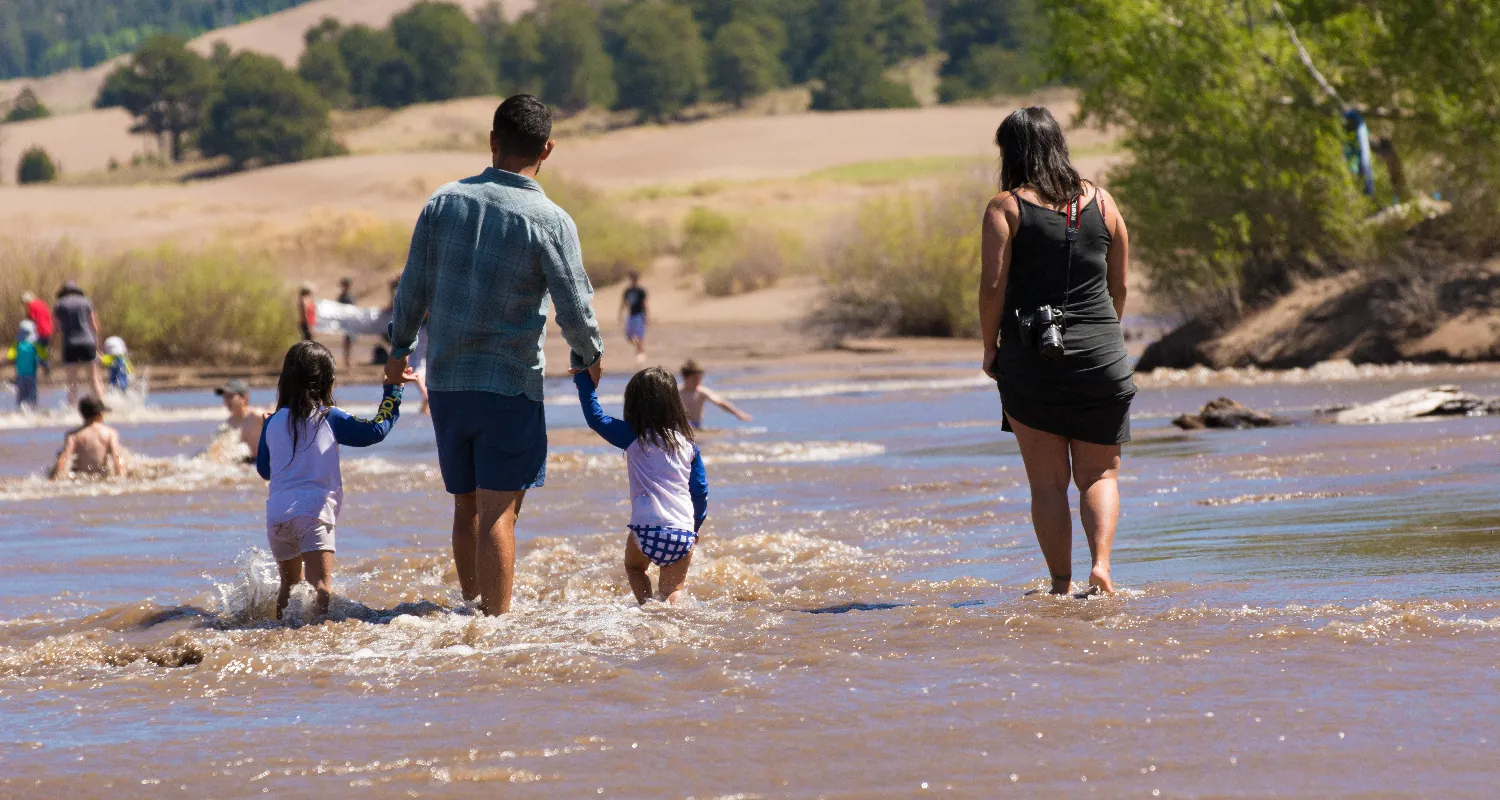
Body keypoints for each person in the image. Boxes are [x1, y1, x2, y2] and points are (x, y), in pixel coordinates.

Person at [388, 94, 604, 616]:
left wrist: (398, 351)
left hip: (447, 384)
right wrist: (590, 354)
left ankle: (468, 611)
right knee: (499, 513)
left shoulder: (442, 203)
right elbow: (574, 304)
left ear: (492, 141)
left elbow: (411, 288)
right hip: (508, 384)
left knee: (466, 507)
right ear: (547, 149)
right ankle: (494, 629)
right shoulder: (550, 220)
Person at [979, 107, 1135, 597]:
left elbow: (992, 290)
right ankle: (1102, 568)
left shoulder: (1005, 208)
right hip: (1103, 356)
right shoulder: (1103, 201)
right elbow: (1121, 284)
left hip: (1031, 358)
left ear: (1013, 152)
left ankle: (1060, 584)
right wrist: (1104, 337)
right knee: (1100, 472)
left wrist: (990, 349)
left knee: (1048, 485)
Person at [255, 341, 413, 619]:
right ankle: (315, 644)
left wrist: (267, 434)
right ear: (326, 381)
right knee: (321, 589)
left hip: (277, 516)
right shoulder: (329, 417)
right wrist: (394, 389)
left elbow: (266, 471)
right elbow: (375, 430)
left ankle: (276, 638)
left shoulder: (271, 422)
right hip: (313, 514)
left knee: (289, 587)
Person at [576, 366, 708, 604]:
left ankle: (647, 609)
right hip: (683, 531)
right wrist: (695, 528)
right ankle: (675, 615)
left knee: (635, 568)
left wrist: (583, 380)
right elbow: (699, 491)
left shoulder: (633, 436)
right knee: (674, 589)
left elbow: (596, 419)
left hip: (646, 530)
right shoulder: (688, 445)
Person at [52, 281, 104, 404]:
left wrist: (52, 347)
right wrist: (98, 347)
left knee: (72, 383)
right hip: (88, 343)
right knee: (93, 379)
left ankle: (71, 410)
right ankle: (100, 408)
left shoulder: (59, 305)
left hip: (70, 344)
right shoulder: (86, 302)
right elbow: (94, 326)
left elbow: (57, 329)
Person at [51, 396, 126, 480]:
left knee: (60, 454)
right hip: (101, 477)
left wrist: (53, 478)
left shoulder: (74, 435)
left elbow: (64, 457)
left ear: (82, 414)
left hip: (81, 478)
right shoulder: (110, 433)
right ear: (100, 414)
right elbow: (116, 456)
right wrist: (121, 475)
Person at [678, 359, 753, 428]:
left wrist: (738, 414)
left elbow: (720, 402)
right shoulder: (677, 391)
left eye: (699, 379)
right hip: (680, 425)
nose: (698, 381)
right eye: (694, 379)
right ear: (685, 378)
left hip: (695, 425)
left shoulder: (702, 392)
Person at [216, 378, 266, 462]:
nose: (226, 401)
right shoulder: (229, 423)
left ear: (244, 398)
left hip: (264, 463)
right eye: (224, 397)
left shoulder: (258, 416)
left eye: (230, 396)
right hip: (246, 464)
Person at [7, 320, 48, 411]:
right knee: (32, 400)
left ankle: (21, 414)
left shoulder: (16, 345)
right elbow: (44, 357)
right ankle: (32, 415)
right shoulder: (35, 345)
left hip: (19, 376)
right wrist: (46, 368)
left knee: (20, 400)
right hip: (32, 377)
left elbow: (10, 357)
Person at [620, 272, 649, 363]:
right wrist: (620, 313)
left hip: (639, 315)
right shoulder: (628, 291)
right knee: (628, 336)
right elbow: (624, 303)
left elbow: (645, 304)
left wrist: (646, 316)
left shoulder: (641, 291)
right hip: (631, 315)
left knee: (639, 335)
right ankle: (639, 348)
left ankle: (640, 353)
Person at [337, 277, 357, 368]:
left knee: (351, 341)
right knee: (347, 340)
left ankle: (349, 359)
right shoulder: (342, 296)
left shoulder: (350, 296)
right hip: (346, 322)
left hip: (351, 321)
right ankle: (347, 360)